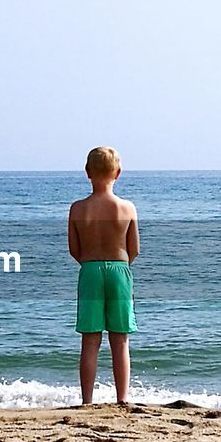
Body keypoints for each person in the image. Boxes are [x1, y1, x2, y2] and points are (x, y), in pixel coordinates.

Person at [67, 146, 139, 404]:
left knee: (90, 339)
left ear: (87, 172)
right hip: (119, 270)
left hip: (90, 270)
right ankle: (122, 398)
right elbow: (135, 249)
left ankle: (87, 399)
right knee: (120, 340)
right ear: (118, 173)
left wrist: (92, 263)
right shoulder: (127, 208)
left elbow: (74, 249)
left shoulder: (77, 209)